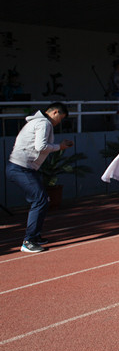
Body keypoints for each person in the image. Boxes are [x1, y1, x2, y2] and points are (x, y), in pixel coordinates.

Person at [7, 102, 73, 253]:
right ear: (55, 112)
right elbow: (40, 146)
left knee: (43, 200)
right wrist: (60, 146)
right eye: (61, 118)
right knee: (40, 200)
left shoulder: (36, 122)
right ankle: (29, 241)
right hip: (21, 168)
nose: (59, 122)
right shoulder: (44, 123)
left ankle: (35, 236)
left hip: (21, 167)